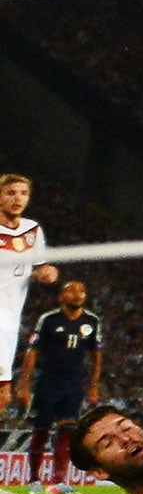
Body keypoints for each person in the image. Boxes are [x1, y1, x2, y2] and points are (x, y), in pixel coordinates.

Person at [21, 279, 100, 493]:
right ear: (61, 296)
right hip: (48, 381)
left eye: (81, 290)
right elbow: (33, 351)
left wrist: (94, 385)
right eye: (71, 290)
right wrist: (25, 385)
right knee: (42, 429)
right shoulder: (48, 320)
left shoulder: (91, 321)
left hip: (73, 384)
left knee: (67, 431)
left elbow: (96, 354)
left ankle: (59, 480)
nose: (77, 294)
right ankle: (34, 480)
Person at [0, 173, 58, 424]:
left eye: (23, 193)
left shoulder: (32, 230)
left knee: (3, 395)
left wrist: (45, 273)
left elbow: (38, 267)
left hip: (10, 321)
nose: (18, 199)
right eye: (11, 193)